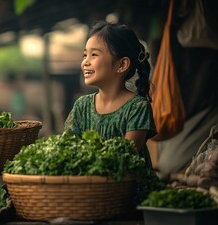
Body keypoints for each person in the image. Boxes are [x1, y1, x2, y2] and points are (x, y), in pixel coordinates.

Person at [64, 21, 162, 204]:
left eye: (94, 55)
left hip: (133, 196)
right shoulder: (81, 106)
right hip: (91, 192)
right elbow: (67, 150)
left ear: (122, 64)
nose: (85, 61)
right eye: (85, 54)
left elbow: (125, 157)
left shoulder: (137, 107)